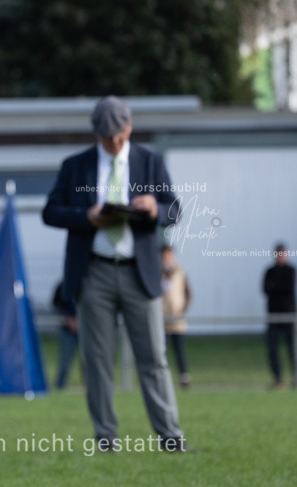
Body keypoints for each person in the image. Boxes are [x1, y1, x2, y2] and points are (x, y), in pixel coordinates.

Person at [42, 96, 188, 452]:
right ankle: (106, 439)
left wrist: (155, 207)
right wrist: (86, 216)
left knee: (154, 358)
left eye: (120, 136)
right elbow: (51, 212)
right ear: (97, 134)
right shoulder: (75, 166)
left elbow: (175, 210)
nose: (115, 143)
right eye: (108, 138)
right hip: (94, 274)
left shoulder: (150, 162)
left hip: (141, 274)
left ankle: (170, 439)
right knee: (97, 361)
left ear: (129, 127)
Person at [263, 243, 297, 389]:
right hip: (273, 317)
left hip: (289, 316)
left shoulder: (291, 270)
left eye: (283, 254)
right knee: (273, 350)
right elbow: (265, 289)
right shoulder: (269, 271)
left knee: (294, 349)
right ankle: (278, 379)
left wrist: (275, 287)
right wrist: (278, 287)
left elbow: (288, 288)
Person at [160, 245, 191, 389]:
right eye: (165, 256)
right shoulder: (156, 272)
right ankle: (162, 378)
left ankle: (184, 376)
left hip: (177, 319)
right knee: (161, 351)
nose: (167, 259)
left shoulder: (180, 271)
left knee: (179, 350)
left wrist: (182, 309)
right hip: (161, 319)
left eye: (169, 256)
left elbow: (188, 294)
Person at [52, 281, 80, 390]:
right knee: (65, 358)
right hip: (67, 328)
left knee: (88, 359)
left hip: (85, 327)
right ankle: (60, 385)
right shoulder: (62, 286)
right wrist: (68, 319)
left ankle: (91, 386)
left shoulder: (86, 283)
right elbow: (56, 304)